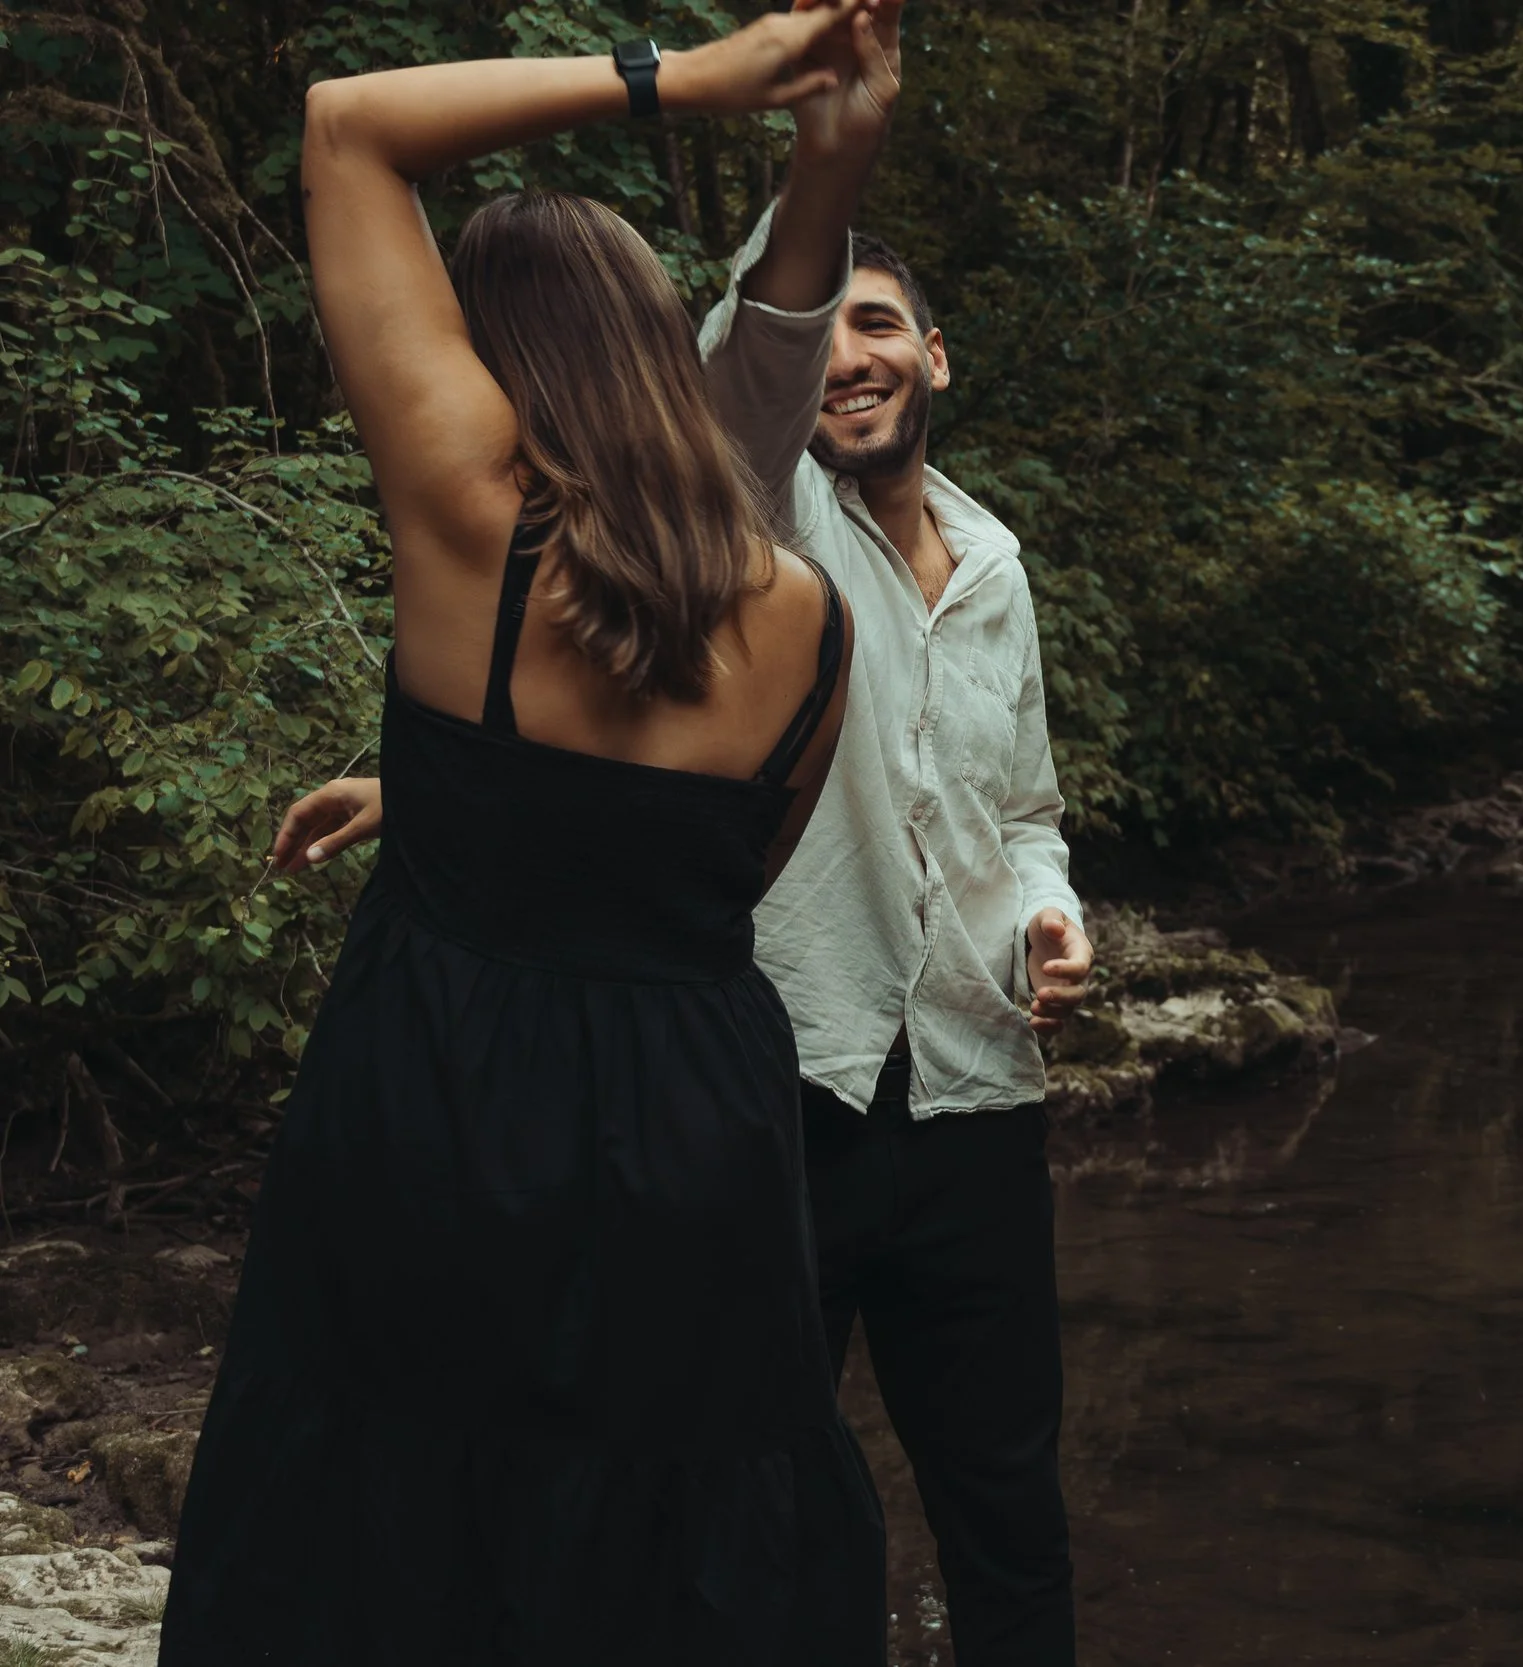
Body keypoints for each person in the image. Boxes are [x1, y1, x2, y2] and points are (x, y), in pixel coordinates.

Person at [279, 71, 1097, 1666]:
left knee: (997, 1500)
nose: (846, 356)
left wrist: (1053, 913)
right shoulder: (784, 546)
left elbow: (1021, 809)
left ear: (939, 358)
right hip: (787, 1070)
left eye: (888, 329)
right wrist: (441, 787)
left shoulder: (998, 567)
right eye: (824, 330)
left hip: (974, 1085)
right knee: (725, 1488)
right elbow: (719, 806)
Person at [162, 8, 898, 1662]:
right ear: (653, 340)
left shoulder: (471, 521)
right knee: (673, 1537)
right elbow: (703, 881)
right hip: (696, 1127)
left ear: (484, 356)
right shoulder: (808, 620)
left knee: (396, 1516)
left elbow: (351, 125)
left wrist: (679, 78)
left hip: (439, 1088)